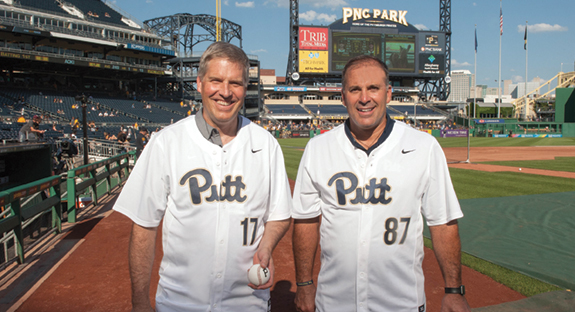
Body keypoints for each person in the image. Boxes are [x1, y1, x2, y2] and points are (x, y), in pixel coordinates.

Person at [113, 42, 292, 312]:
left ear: (246, 88)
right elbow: (144, 226)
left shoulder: (266, 145)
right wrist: (139, 301)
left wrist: (266, 246)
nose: (225, 92)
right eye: (216, 80)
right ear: (199, 83)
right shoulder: (166, 143)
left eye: (235, 83)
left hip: (246, 304)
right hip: (179, 304)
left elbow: (279, 214)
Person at [292, 55, 470, 312]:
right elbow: (306, 220)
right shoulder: (318, 148)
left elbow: (442, 222)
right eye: (355, 90)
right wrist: (305, 284)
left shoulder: (424, 147)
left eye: (373, 88)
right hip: (334, 303)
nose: (364, 98)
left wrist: (454, 289)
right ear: (343, 97)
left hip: (401, 304)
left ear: (388, 94)